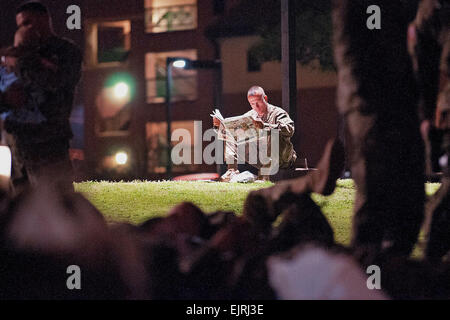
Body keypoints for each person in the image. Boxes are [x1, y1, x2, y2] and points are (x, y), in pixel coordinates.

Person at [0, 1, 82, 193]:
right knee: (22, 210)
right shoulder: (9, 56)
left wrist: (25, 54)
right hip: (18, 145)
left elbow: (57, 83)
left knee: (58, 203)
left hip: (48, 144)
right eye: (20, 24)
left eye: (28, 22)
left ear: (45, 20)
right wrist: (6, 100)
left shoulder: (65, 51)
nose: (23, 29)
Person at [213, 86, 297, 181]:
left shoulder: (278, 113)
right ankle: (232, 170)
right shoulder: (250, 116)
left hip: (282, 158)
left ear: (265, 98)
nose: (256, 106)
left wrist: (265, 126)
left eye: (258, 102)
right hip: (260, 157)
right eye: (252, 104)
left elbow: (290, 130)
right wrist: (219, 127)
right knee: (233, 134)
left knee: (273, 134)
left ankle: (265, 173)